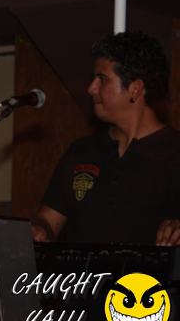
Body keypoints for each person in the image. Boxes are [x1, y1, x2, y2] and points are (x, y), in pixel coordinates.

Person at [32, 31, 180, 246]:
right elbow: (47, 221)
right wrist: (37, 229)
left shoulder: (175, 152)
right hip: (84, 270)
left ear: (135, 89)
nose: (91, 88)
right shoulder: (80, 151)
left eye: (102, 79)